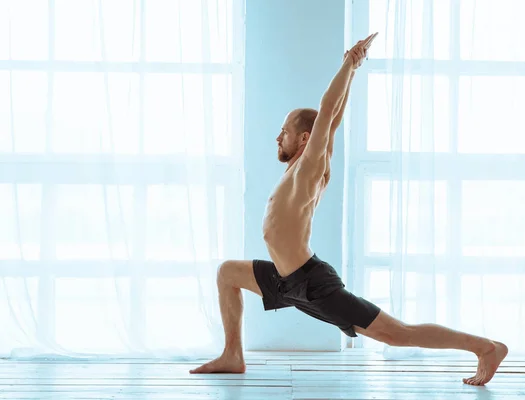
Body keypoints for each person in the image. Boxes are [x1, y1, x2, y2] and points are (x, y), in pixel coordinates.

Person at [190, 33, 508, 386]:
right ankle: (233, 354)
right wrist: (353, 71)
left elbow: (327, 114)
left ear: (305, 138)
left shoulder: (310, 167)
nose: (277, 138)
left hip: (310, 283)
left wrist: (347, 63)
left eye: (284, 132)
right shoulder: (299, 167)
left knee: (396, 333)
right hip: (285, 280)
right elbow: (334, 117)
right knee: (227, 273)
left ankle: (485, 347)